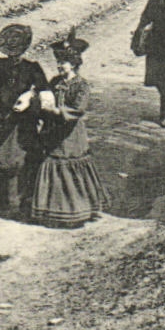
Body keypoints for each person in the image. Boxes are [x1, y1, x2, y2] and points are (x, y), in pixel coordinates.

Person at [30, 33, 110, 227]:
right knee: (52, 162)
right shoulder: (55, 82)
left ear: (73, 64)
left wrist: (57, 111)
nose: (59, 66)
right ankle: (54, 211)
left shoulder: (82, 85)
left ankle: (77, 211)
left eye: (63, 63)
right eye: (58, 62)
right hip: (52, 131)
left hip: (70, 133)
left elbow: (78, 109)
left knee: (70, 164)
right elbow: (45, 98)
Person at [0, 24, 50, 218]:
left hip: (25, 122)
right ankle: (5, 202)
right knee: (2, 160)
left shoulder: (33, 68)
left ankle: (24, 202)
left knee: (25, 159)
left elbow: (45, 93)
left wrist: (30, 98)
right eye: (11, 51)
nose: (14, 55)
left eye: (18, 51)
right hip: (4, 120)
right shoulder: (0, 66)